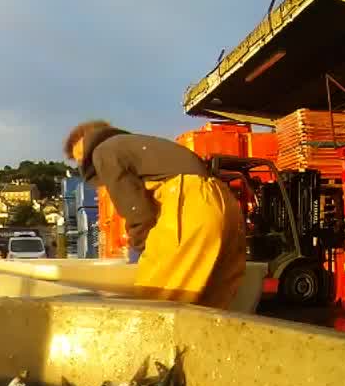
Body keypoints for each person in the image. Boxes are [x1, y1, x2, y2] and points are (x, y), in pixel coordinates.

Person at [64, 120, 246, 308]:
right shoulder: (136, 145)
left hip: (191, 203)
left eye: (80, 158)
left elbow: (137, 210)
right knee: (213, 309)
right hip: (224, 203)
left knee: (155, 307)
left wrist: (141, 249)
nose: (83, 163)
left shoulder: (103, 151)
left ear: (86, 143)